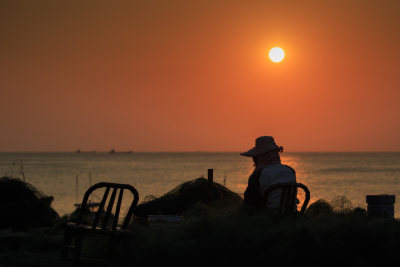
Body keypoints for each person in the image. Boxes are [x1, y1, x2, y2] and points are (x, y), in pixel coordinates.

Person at [241, 136, 297, 209]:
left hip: (269, 215)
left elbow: (249, 201)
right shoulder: (290, 170)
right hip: (292, 213)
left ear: (258, 157)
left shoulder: (258, 174)